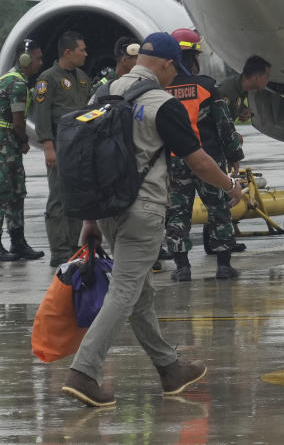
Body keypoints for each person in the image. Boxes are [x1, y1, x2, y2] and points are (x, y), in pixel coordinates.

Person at [62, 32, 244, 408]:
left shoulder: (103, 94)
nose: (174, 77)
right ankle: (84, 371)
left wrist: (90, 219)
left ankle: (169, 367)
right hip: (143, 212)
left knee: (141, 292)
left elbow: (90, 160)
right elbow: (198, 160)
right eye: (173, 69)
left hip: (108, 210)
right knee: (126, 292)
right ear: (162, 64)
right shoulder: (163, 103)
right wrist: (231, 186)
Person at [162, 29, 246, 281]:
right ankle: (223, 266)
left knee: (177, 213)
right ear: (195, 56)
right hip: (208, 159)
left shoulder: (161, 89)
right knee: (218, 209)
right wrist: (235, 155)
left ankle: (182, 267)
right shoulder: (208, 87)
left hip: (174, 161)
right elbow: (225, 126)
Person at [34, 30, 92, 266]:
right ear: (68, 52)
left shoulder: (82, 78)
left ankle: (73, 245)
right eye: (82, 50)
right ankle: (59, 250)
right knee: (59, 197)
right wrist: (48, 146)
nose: (86, 54)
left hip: (81, 146)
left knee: (77, 196)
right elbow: (42, 115)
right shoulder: (48, 79)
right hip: (60, 145)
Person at [0, 39, 45, 261]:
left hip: (8, 146)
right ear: (24, 59)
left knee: (16, 192)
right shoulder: (17, 85)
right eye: (37, 58)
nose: (40, 63)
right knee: (7, 194)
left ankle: (18, 243)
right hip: (6, 146)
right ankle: (13, 243)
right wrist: (24, 141)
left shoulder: (9, 79)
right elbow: (18, 123)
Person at [217, 55, 272, 123]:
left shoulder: (242, 87)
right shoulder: (226, 92)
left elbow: (235, 102)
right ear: (256, 78)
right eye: (266, 77)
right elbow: (217, 122)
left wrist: (242, 110)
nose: (267, 81)